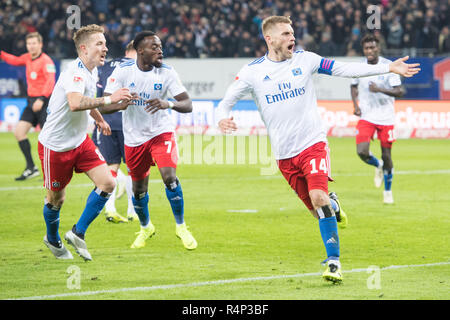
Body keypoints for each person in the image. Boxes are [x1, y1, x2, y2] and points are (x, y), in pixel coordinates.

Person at [216, 16, 420, 283]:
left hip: (313, 144)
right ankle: (335, 204)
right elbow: (226, 100)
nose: (293, 38)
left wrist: (388, 69)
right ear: (270, 39)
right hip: (284, 155)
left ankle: (334, 262)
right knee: (317, 209)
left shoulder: (306, 60)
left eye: (293, 33)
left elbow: (344, 69)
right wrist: (222, 116)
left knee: (318, 198)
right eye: (286, 34)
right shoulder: (252, 72)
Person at [38, 24, 135, 260]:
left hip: (80, 142)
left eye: (104, 43)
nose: (105, 48)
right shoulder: (75, 71)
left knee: (108, 183)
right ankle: (52, 238)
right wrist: (110, 99)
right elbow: (74, 102)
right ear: (83, 48)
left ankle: (77, 232)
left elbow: (87, 102)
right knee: (56, 200)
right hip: (56, 146)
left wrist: (99, 120)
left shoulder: (91, 71)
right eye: (99, 44)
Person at [103, 31, 198, 250]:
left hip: (160, 133)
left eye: (160, 46)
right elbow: (104, 105)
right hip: (134, 139)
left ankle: (181, 226)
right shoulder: (124, 71)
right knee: (138, 190)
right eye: (154, 47)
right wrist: (121, 104)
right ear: (140, 51)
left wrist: (169, 104)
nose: (160, 50)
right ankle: (146, 227)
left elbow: (188, 104)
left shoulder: (166, 72)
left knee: (169, 178)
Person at [351, 34, 405, 204]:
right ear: (364, 50)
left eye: (372, 47)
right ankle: (378, 165)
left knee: (387, 155)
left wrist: (380, 89)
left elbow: (400, 91)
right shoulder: (359, 68)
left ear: (378, 48)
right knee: (361, 152)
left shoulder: (388, 66)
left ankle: (387, 192)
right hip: (367, 116)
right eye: (367, 48)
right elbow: (353, 86)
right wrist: (355, 105)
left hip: (386, 118)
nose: (370, 51)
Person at [0, 32, 56, 181]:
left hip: (44, 103)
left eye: (34, 43)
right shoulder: (27, 58)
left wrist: (42, 98)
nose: (31, 46)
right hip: (31, 102)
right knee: (19, 132)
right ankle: (31, 167)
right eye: (29, 44)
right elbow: (14, 60)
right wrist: (2, 54)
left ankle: (52, 172)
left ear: (40, 44)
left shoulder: (46, 61)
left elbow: (50, 82)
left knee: (48, 140)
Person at [93, 40, 138, 223]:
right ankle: (132, 211)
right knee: (133, 168)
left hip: (107, 120)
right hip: (128, 122)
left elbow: (98, 95)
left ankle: (110, 209)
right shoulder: (136, 67)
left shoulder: (105, 66)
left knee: (111, 167)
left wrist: (98, 119)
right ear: (134, 50)